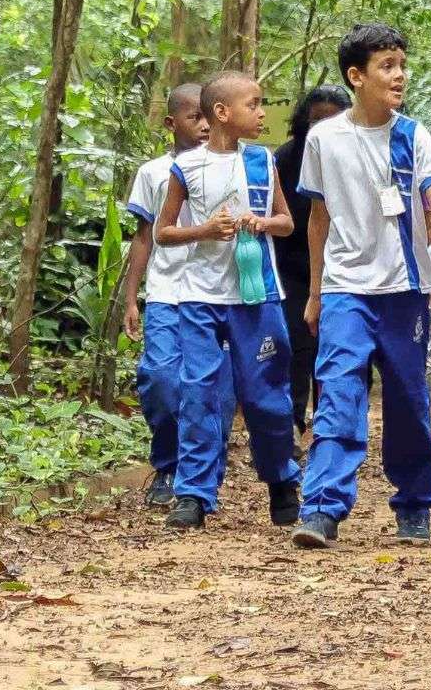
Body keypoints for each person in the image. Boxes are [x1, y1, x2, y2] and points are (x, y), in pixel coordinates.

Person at [292, 22, 431, 550]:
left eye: (402, 64)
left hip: (404, 290)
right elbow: (317, 219)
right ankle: (322, 507)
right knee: (338, 392)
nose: (399, 75)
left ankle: (415, 504)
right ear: (356, 76)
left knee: (406, 398)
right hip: (344, 290)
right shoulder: (323, 139)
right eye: (386, 66)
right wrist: (315, 291)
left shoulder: (413, 135)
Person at [154, 70, 303, 531]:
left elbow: (287, 222)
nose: (262, 113)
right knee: (197, 392)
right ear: (222, 112)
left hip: (257, 297)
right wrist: (203, 230)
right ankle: (194, 494)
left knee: (265, 397)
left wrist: (261, 223)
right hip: (199, 299)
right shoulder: (187, 167)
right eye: (254, 104)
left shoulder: (263, 161)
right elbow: (164, 231)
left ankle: (281, 479)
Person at [120, 83, 215, 507]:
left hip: (215, 294)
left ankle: (196, 475)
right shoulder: (152, 173)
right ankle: (167, 464)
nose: (204, 125)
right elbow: (143, 237)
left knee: (204, 387)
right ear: (171, 123)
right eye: (194, 116)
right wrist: (130, 298)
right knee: (160, 379)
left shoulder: (230, 167)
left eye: (209, 116)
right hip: (165, 292)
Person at [273, 84, 351, 434]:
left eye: (332, 120)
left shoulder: (354, 156)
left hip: (343, 268)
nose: (323, 127)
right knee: (293, 342)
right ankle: (291, 423)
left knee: (336, 348)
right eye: (316, 119)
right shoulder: (286, 158)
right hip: (292, 267)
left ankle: (331, 425)